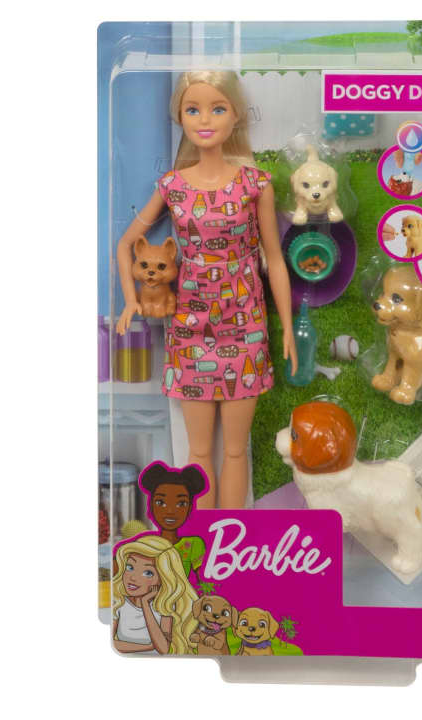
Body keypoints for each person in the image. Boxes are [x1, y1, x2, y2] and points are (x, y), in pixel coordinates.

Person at [115, 71, 297, 509]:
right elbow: (125, 245)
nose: (204, 119)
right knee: (198, 453)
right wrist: (131, 300)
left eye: (217, 108)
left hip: (245, 327)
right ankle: (201, 541)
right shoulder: (173, 187)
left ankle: (234, 539)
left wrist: (288, 327)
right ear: (180, 117)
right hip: (190, 329)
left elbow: (274, 259)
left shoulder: (255, 184)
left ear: (236, 115)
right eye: (192, 109)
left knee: (235, 450)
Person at [112, 536, 198, 655]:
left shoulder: (164, 606)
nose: (133, 577)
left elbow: (163, 649)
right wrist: (148, 646)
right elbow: (111, 644)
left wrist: (145, 604)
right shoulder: (119, 602)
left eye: (148, 573)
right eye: (130, 567)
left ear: (163, 578)